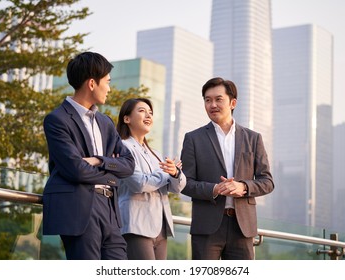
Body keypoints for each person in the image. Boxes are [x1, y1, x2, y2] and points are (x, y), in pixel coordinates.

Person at [42, 51, 135, 260]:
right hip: (80, 210)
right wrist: (112, 173)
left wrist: (98, 160)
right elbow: (75, 169)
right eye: (108, 82)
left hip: (110, 210)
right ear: (92, 83)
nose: (110, 89)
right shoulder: (57, 120)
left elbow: (129, 164)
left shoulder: (106, 122)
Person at [180, 77, 274, 260]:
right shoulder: (193, 138)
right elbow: (185, 183)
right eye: (207, 100)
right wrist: (214, 189)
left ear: (232, 103)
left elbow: (267, 182)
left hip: (242, 228)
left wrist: (243, 187)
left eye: (218, 99)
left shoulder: (253, 138)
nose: (212, 104)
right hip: (206, 228)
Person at [116, 98, 186, 260]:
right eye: (142, 111)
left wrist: (175, 173)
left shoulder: (155, 154)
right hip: (136, 224)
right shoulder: (122, 147)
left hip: (160, 227)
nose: (148, 115)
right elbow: (139, 183)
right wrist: (167, 173)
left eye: (151, 113)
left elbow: (177, 187)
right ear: (127, 119)